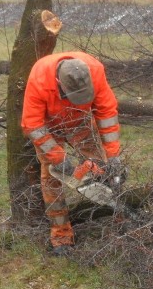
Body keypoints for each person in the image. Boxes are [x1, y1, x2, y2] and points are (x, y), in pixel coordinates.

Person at [21, 51, 125, 255]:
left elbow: (107, 113)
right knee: (51, 178)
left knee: (101, 167)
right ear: (59, 82)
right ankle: (61, 237)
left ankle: (119, 216)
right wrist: (57, 157)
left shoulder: (94, 70)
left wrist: (113, 155)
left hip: (81, 121)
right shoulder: (40, 77)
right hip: (48, 127)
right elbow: (32, 124)